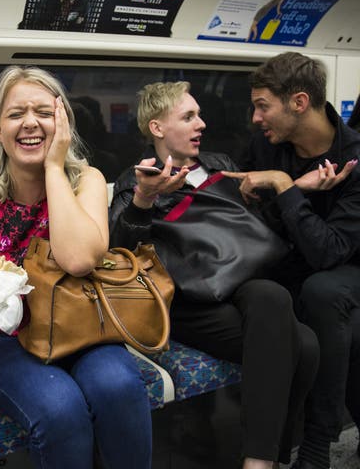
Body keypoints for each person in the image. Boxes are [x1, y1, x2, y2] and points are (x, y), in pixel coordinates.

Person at [0, 65, 153, 469]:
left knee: (119, 386)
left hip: (79, 319)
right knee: (60, 409)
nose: (30, 123)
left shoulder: (86, 179)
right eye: (16, 113)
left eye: (44, 112)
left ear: (63, 123)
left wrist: (55, 168)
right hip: (5, 334)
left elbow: (79, 260)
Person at [109, 81, 319, 469]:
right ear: (157, 129)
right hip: (187, 299)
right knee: (302, 343)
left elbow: (250, 234)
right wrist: (144, 200)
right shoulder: (135, 180)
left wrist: (293, 188)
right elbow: (121, 249)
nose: (201, 124)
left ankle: (259, 459)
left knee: (275, 299)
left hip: (238, 283)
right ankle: (274, 453)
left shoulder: (220, 165)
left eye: (200, 114)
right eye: (188, 117)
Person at [223, 51, 360, 469]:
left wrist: (286, 188)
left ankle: (318, 442)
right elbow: (248, 228)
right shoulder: (264, 147)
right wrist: (292, 189)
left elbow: (329, 252)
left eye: (263, 106)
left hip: (345, 268)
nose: (255, 118)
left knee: (322, 293)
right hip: (283, 260)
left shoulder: (354, 160)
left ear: (299, 102)